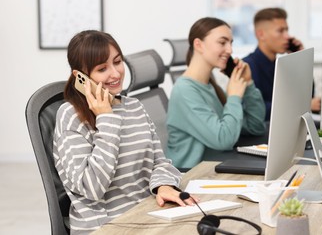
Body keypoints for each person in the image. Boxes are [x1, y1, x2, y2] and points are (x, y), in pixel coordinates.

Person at [53, 30, 194, 234]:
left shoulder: (133, 106)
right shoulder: (70, 116)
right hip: (106, 226)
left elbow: (160, 162)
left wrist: (162, 185)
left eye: (118, 62)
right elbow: (92, 188)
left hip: (147, 213)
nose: (116, 73)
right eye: (102, 68)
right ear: (80, 76)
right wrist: (106, 118)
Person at [166, 17, 267, 169]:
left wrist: (248, 84)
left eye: (231, 43)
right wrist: (234, 96)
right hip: (192, 175)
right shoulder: (185, 91)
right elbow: (223, 139)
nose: (230, 50)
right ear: (198, 45)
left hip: (217, 165)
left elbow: (255, 127)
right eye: (222, 42)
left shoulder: (209, 85)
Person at [243, 7, 321, 121]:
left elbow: (308, 95)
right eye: (280, 31)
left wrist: (301, 59)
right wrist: (301, 107)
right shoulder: (247, 66)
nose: (287, 36)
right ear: (261, 35)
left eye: (287, 30)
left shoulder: (281, 65)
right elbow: (256, 111)